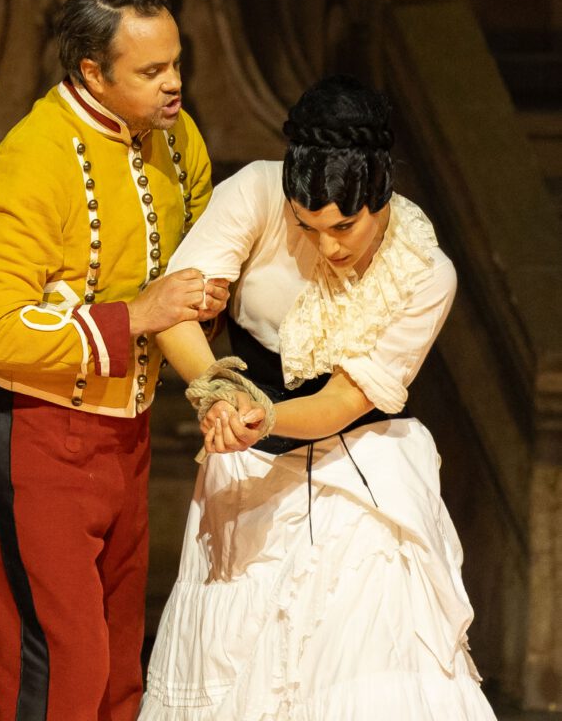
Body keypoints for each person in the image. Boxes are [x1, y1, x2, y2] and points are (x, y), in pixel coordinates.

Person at [139, 75, 498, 720]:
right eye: (309, 226)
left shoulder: (425, 273)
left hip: (361, 462)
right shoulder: (253, 191)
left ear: (381, 191)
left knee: (367, 658)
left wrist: (262, 417)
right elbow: (174, 311)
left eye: (344, 226)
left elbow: (342, 401)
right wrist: (217, 393)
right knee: (237, 656)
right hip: (248, 458)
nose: (328, 245)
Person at [0, 0, 230, 721]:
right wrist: (134, 316)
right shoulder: (30, 165)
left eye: (177, 63)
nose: (174, 85)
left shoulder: (176, 134)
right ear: (91, 73)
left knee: (116, 653)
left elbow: (206, 240)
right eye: (151, 71)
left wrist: (211, 304)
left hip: (125, 430)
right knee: (59, 656)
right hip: (36, 430)